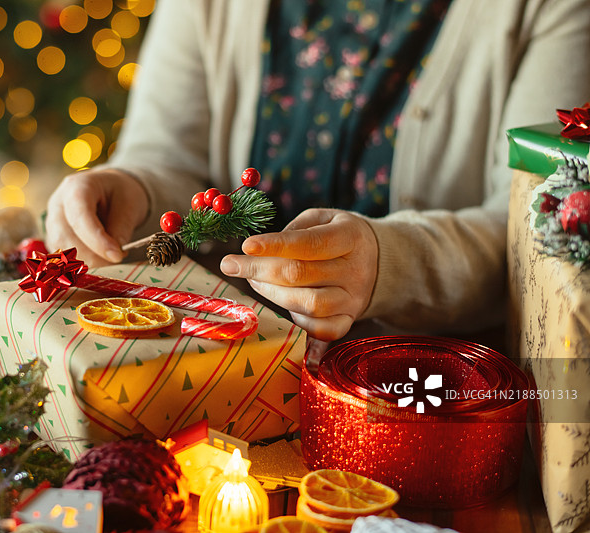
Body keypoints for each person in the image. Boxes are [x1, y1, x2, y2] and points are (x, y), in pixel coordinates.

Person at [45, 0, 590, 342]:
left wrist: (389, 263)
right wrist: (129, 189)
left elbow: (539, 232)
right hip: (212, 365)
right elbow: (168, 155)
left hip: (431, 401)